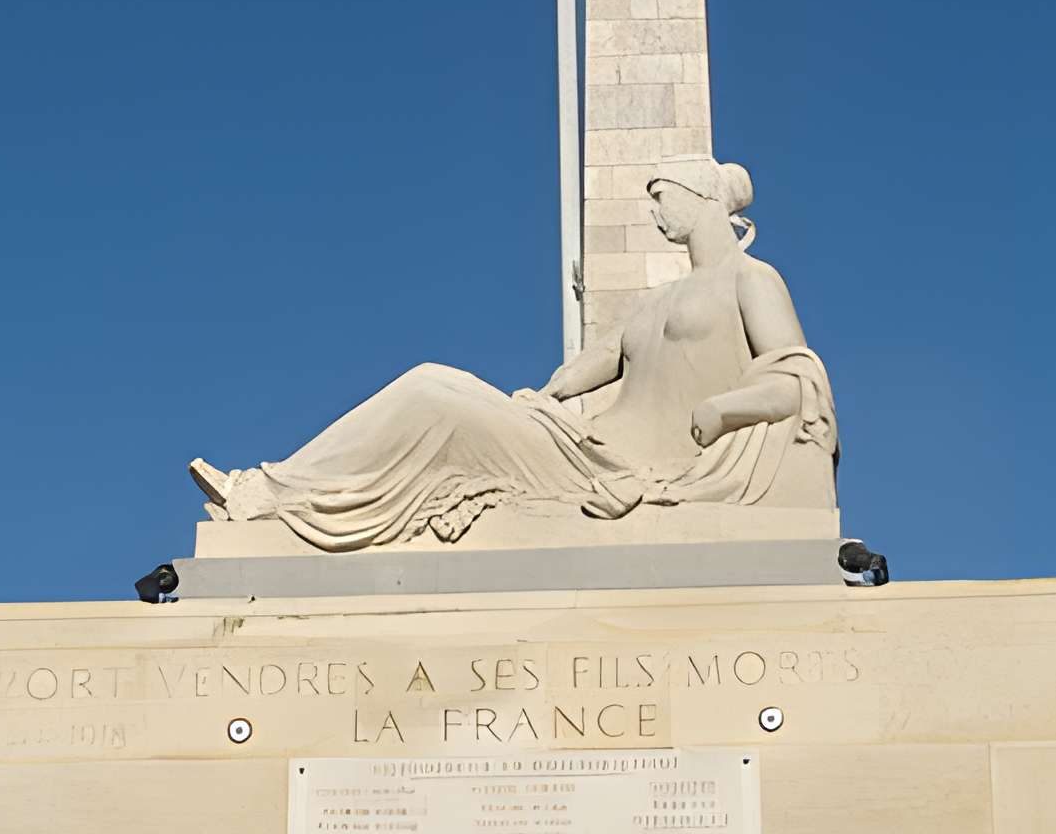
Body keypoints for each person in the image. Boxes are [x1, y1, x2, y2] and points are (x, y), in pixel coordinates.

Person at [190, 157, 837, 552]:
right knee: (441, 384)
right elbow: (600, 359)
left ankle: (268, 494)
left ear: (699, 200)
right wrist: (549, 398)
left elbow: (795, 380)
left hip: (630, 469)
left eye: (660, 195)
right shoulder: (658, 297)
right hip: (581, 444)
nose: (651, 210)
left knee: (427, 392)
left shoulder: (752, 280)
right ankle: (283, 494)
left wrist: (726, 409)